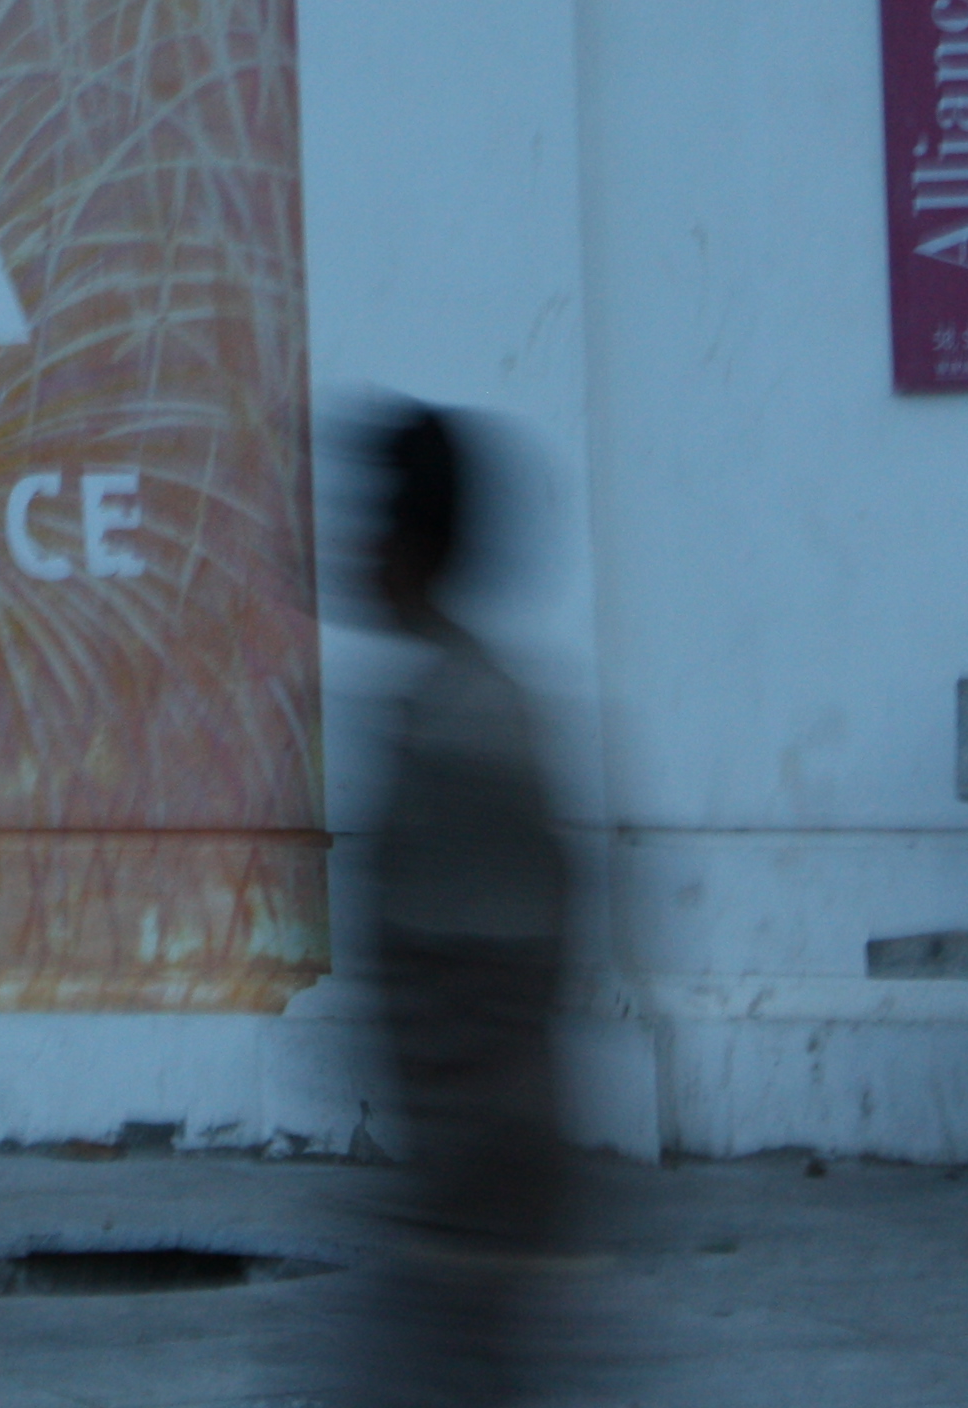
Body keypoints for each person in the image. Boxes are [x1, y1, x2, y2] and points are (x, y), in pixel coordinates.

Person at [350, 401, 572, 1408]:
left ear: (413, 551)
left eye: (373, 526)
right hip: (463, 1172)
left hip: (480, 1172)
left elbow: (499, 972)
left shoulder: (467, 729)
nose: (354, 552)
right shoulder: (448, 702)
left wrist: (462, 1183)